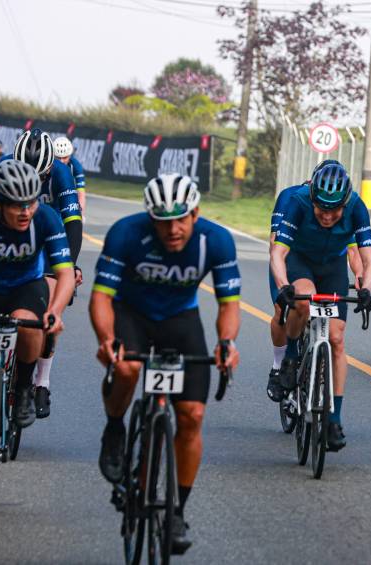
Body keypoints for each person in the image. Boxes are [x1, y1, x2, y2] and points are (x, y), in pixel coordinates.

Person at [90, 173, 241, 554]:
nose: (173, 229)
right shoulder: (126, 234)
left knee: (191, 416)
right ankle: (114, 429)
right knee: (127, 368)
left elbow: (229, 305)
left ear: (196, 214)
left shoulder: (216, 241)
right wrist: (107, 341)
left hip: (179, 320)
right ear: (149, 217)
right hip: (132, 314)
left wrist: (227, 343)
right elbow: (102, 298)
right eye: (163, 220)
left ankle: (176, 512)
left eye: (181, 219)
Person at [270, 162, 371, 451]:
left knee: (337, 339)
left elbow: (368, 259)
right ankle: (290, 358)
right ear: (313, 199)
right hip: (300, 261)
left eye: (335, 211)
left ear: (345, 202)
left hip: (331, 267)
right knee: (304, 303)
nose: (328, 216)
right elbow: (278, 252)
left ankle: (333, 420)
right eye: (321, 210)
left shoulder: (356, 207)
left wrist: (366, 289)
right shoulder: (297, 201)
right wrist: (283, 286)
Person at [266, 159, 363, 402]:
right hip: (292, 261)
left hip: (327, 267)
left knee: (331, 326)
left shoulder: (343, 212)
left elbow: (353, 251)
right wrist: (284, 283)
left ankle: (319, 370)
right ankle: (279, 366)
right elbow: (276, 243)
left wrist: (360, 279)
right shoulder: (292, 199)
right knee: (283, 309)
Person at [0, 160, 74, 427]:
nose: (25, 211)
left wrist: (54, 312)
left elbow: (65, 273)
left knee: (29, 326)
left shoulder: (46, 217)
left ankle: (24, 389)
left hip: (25, 286)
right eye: (16, 205)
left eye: (31, 202)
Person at [7, 129, 83, 419]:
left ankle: (41, 381)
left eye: (39, 178)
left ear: (49, 170)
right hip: (13, 240)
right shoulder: (3, 173)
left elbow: (73, 224)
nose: (31, 182)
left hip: (52, 239)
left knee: (49, 308)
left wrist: (71, 266)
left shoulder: (62, 174)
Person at [52, 136, 86, 215]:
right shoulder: (47, 165)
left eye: (64, 157)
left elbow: (81, 193)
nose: (61, 161)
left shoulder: (76, 166)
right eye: (58, 158)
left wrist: (80, 214)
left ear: (70, 155)